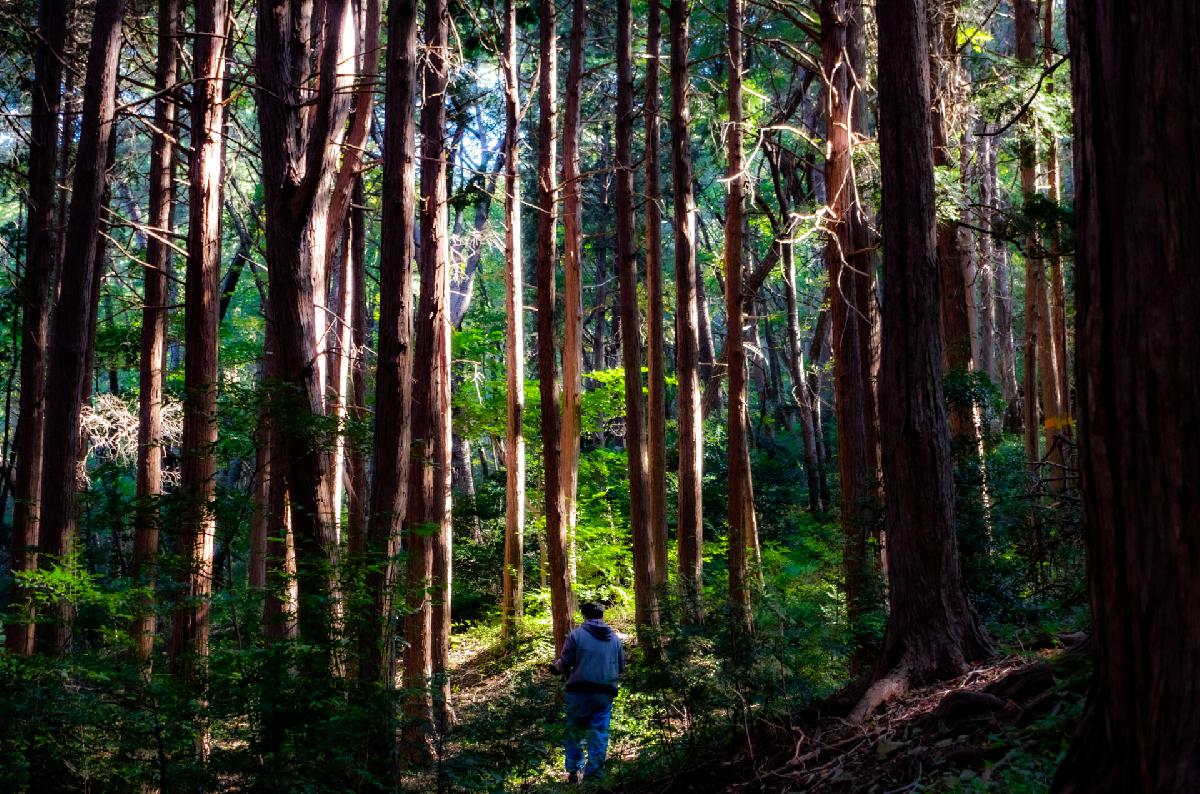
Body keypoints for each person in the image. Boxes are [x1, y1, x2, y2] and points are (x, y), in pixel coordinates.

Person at [549, 602, 627, 783]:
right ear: (602, 615)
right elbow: (622, 667)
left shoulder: (576, 635)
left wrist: (556, 668)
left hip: (579, 691)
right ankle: (595, 775)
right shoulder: (615, 638)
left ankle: (574, 771)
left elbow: (565, 661)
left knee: (574, 730)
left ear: (584, 615)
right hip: (605, 692)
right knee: (599, 732)